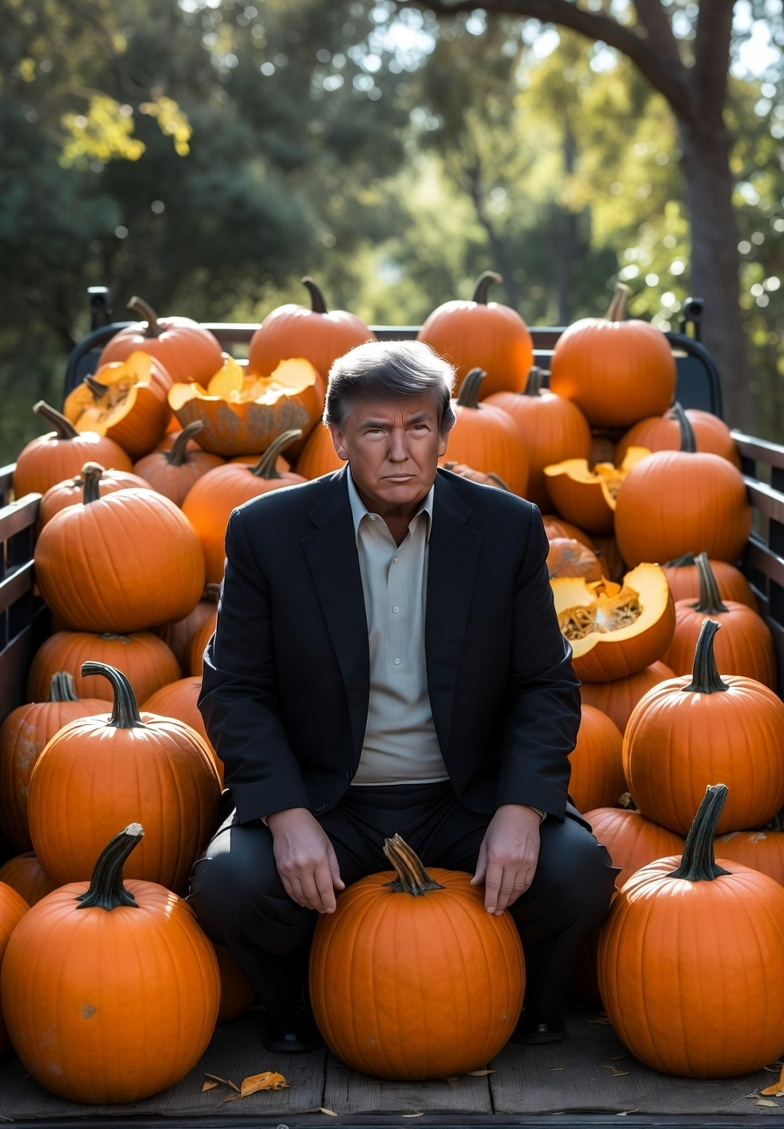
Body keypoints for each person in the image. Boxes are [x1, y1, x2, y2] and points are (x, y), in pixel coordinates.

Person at [188, 338, 617, 1055]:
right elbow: (234, 688)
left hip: (465, 796)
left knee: (577, 869)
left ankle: (531, 1000)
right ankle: (294, 1000)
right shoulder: (266, 530)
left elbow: (544, 684)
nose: (399, 450)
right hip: (331, 796)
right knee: (232, 883)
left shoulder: (506, 528)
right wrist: (286, 813)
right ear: (337, 439)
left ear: (445, 433)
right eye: (376, 430)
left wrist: (521, 806)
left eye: (418, 426)